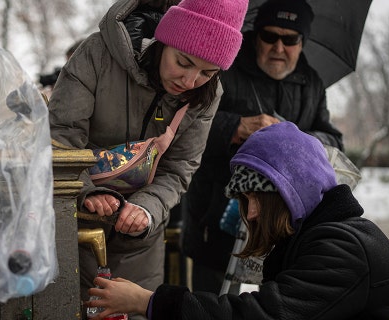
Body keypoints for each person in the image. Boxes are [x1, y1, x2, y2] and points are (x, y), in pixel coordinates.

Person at [86, 122, 389, 319]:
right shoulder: (319, 236)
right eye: (246, 201)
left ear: (294, 191)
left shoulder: (341, 247)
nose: (253, 213)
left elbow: (260, 315)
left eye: (260, 198)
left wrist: (148, 301)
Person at [47, 0, 248, 318]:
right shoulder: (98, 54)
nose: (190, 81)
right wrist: (87, 190)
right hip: (75, 226)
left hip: (139, 243)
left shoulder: (208, 94)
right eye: (183, 62)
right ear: (164, 41)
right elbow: (61, 138)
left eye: (208, 72)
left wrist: (147, 207)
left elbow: (180, 167)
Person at [180, 0, 345, 294]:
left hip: (286, 222)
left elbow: (333, 139)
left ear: (302, 42)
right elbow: (186, 122)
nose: (278, 48)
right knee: (208, 301)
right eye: (270, 36)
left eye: (290, 39)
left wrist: (298, 141)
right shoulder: (222, 69)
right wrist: (236, 127)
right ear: (256, 36)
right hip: (218, 212)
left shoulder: (313, 83)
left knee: (281, 298)